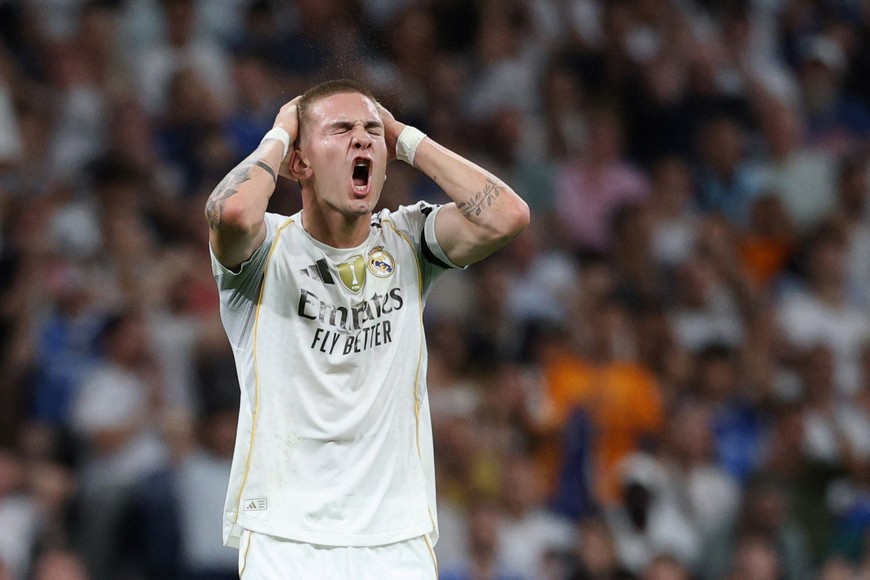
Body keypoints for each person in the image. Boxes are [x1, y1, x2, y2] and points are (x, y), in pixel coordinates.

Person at [204, 78, 529, 578]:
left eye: (370, 131)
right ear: (300, 163)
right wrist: (279, 133)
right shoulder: (265, 249)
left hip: (396, 536)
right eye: (340, 129)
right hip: (286, 536)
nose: (361, 139)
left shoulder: (408, 238)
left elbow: (506, 216)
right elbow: (231, 210)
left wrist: (404, 138)